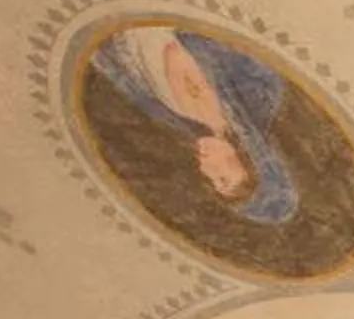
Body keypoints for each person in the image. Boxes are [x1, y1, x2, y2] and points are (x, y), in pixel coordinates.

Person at [89, 22, 302, 227]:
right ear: (253, 161)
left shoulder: (173, 118)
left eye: (214, 181)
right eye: (223, 176)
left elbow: (112, 64)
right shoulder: (260, 90)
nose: (205, 168)